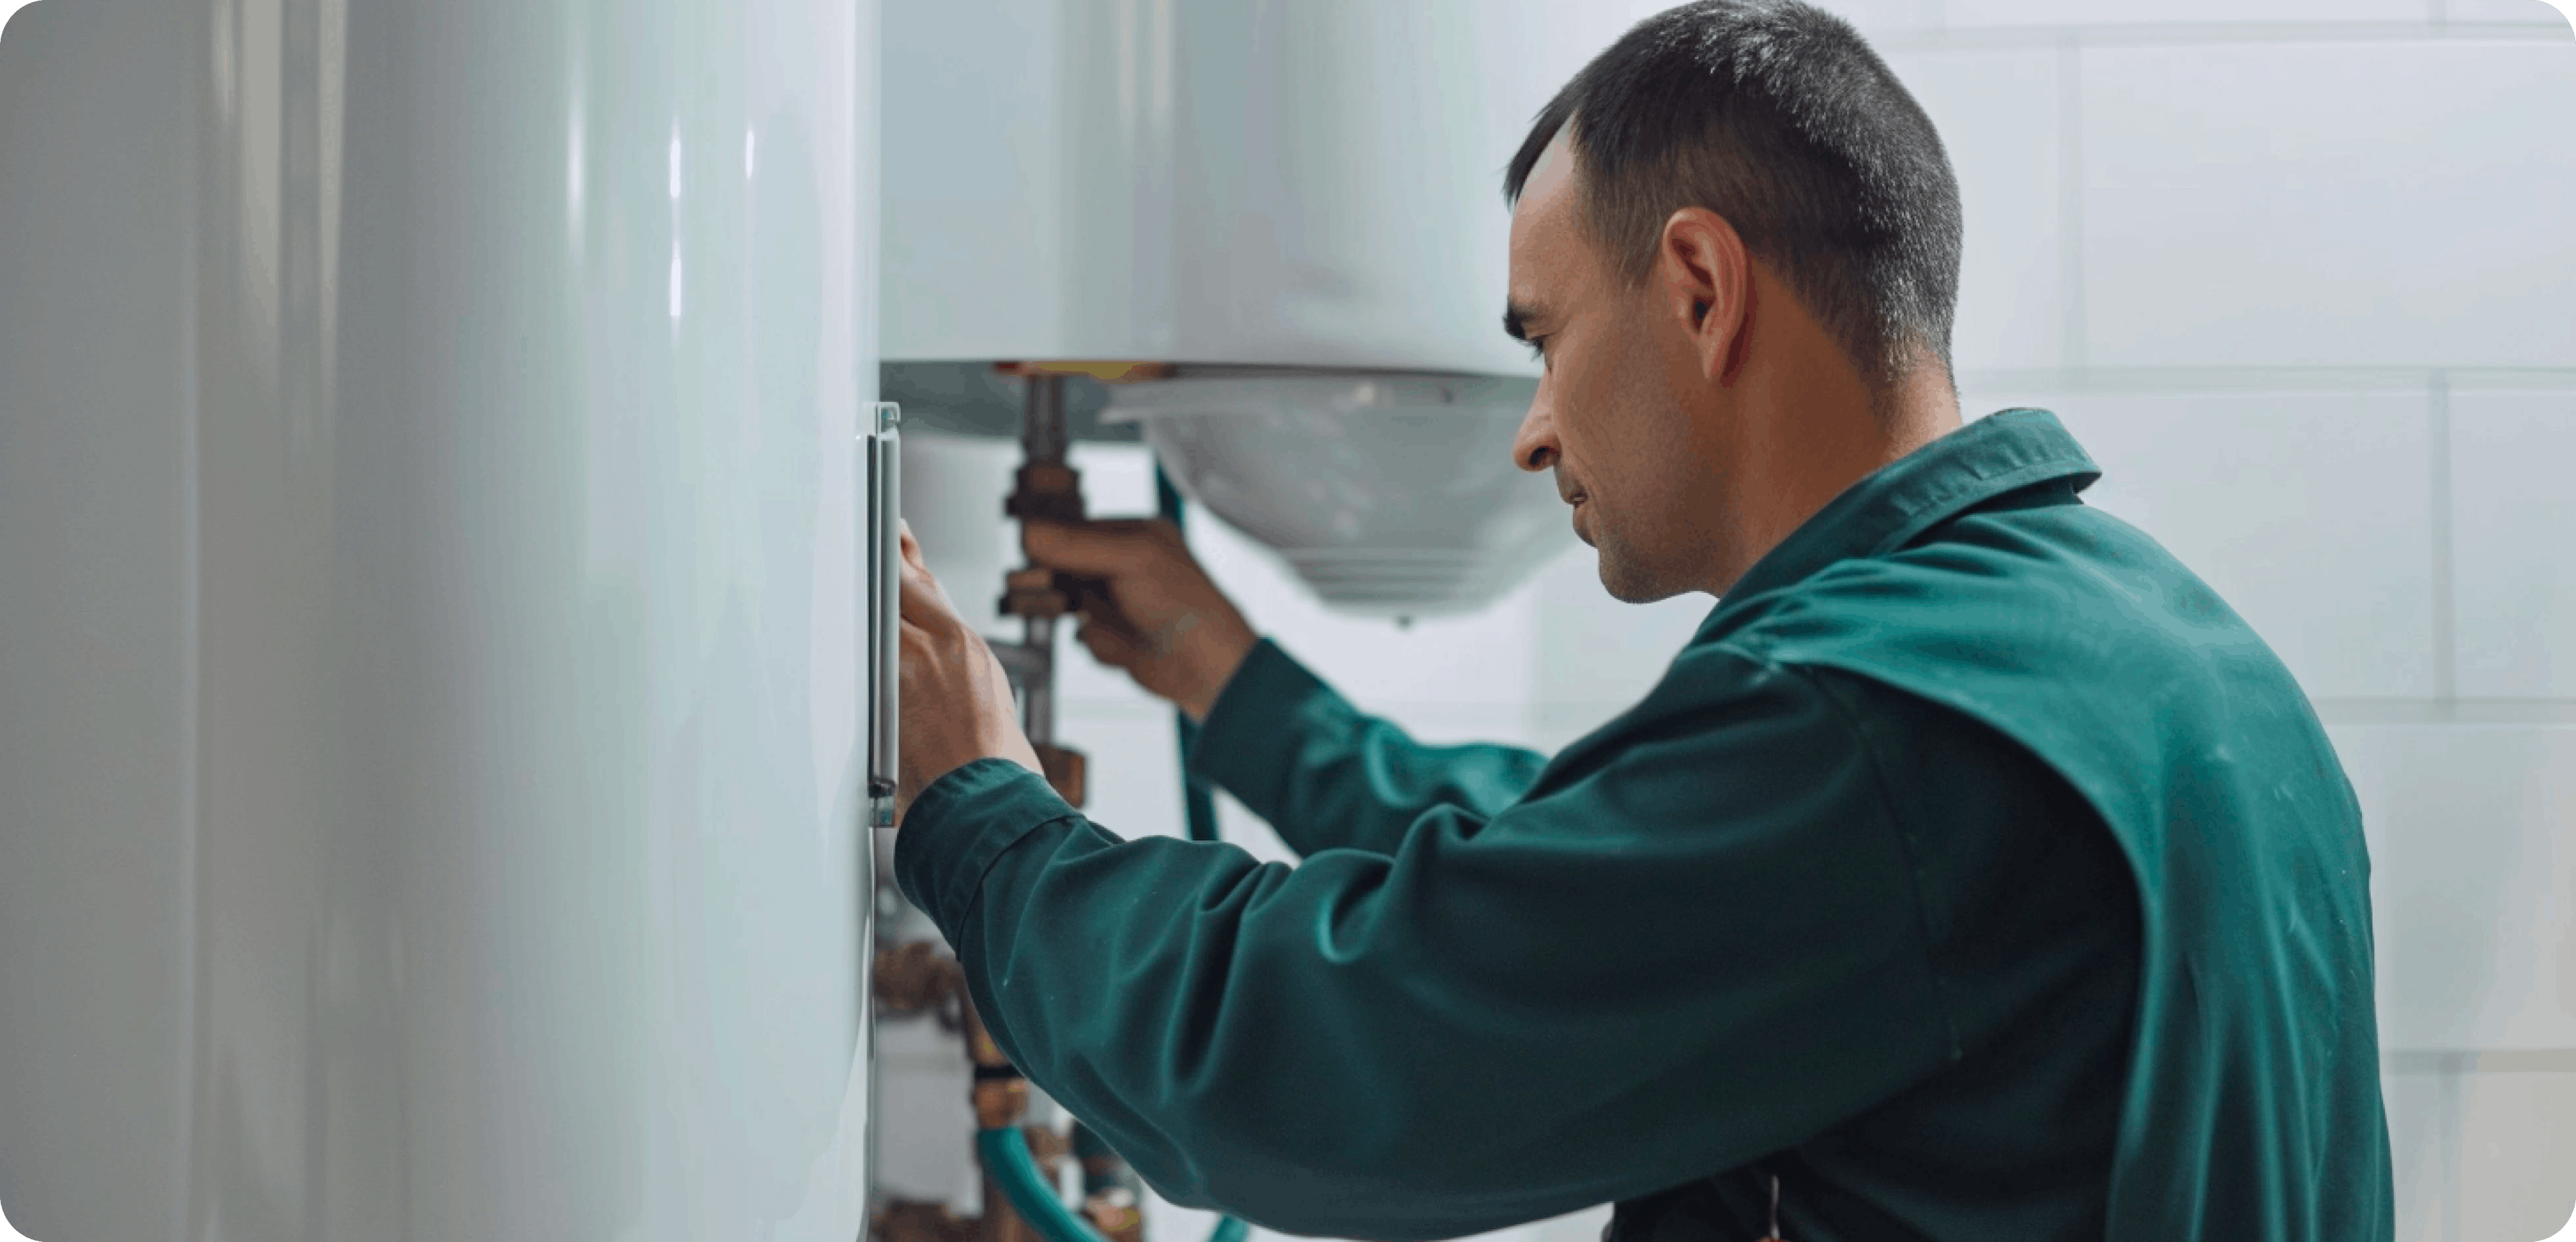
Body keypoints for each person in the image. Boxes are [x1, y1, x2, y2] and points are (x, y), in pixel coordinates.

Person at [886, 1, 2393, 1238]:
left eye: (1545, 337)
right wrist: (1235, 680)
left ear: (1698, 287)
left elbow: (1312, 1056)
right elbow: (1602, 862)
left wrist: (981, 811)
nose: (1533, 430)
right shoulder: (2152, 648)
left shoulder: (1873, 732)